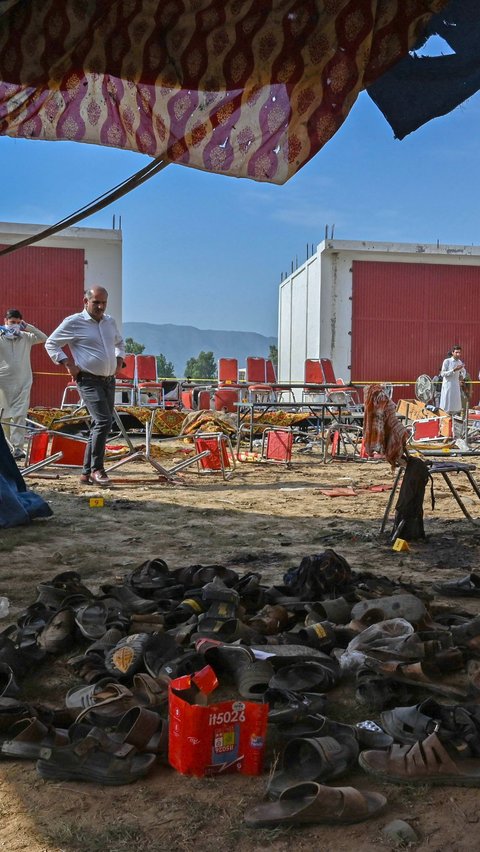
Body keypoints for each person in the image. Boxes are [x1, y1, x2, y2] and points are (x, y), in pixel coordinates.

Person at [45, 287, 125, 486]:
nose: (100, 306)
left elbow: (120, 343)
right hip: (88, 380)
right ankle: (98, 469)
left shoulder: (109, 322)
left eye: (103, 303)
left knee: (102, 424)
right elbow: (51, 343)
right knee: (103, 421)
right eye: (96, 302)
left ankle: (86, 473)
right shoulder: (74, 322)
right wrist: (66, 363)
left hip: (108, 380)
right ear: (85, 301)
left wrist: (119, 359)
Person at [0, 308, 47, 460]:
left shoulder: (26, 337)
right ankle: (7, 448)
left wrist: (28, 327)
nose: (14, 325)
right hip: (3, 382)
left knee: (19, 415)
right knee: (4, 417)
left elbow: (44, 338)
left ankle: (18, 448)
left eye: (17, 323)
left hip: (23, 381)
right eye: (12, 322)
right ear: (5, 321)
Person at [440, 344, 465, 416]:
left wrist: (461, 376)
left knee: (456, 407)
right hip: (448, 386)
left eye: (459, 352)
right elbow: (442, 374)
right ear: (452, 352)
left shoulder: (459, 362)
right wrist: (454, 370)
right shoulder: (447, 361)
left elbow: (464, 371)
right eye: (456, 352)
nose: (458, 354)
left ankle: (454, 422)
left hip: (456, 386)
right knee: (446, 406)